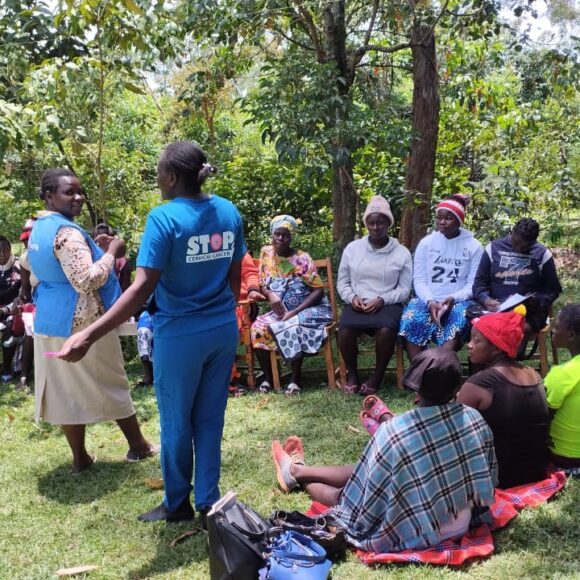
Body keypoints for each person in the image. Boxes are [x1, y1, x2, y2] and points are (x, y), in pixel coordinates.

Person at [59, 142, 246, 526]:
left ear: (173, 177)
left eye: (159, 171)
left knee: (177, 421)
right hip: (222, 329)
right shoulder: (228, 210)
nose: (157, 178)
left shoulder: (164, 218)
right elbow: (235, 273)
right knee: (210, 419)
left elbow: (142, 288)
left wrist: (89, 334)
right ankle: (209, 502)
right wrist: (224, 312)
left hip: (180, 336)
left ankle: (177, 504)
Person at [271, 348, 497, 554]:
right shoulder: (473, 418)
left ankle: (297, 473)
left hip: (413, 532)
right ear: (457, 388)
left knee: (343, 498)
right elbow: (487, 476)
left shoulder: (395, 431)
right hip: (460, 523)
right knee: (364, 472)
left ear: (416, 389)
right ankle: (296, 472)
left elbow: (363, 497)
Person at [27, 168, 156, 473]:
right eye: (69, 192)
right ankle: (138, 446)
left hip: (50, 318)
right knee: (111, 379)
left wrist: (94, 248)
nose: (78, 197)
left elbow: (37, 268)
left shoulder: (39, 228)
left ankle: (80, 458)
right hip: (83, 322)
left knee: (63, 389)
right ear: (49, 196)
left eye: (79, 191)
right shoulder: (67, 233)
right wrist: (112, 251)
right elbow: (86, 280)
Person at [456, 305, 549, 488]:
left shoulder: (479, 383)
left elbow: (452, 431)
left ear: (497, 349)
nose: (470, 345)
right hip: (536, 470)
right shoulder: (534, 374)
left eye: (477, 340)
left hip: (500, 478)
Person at [336, 196, 412, 395]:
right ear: (365, 224)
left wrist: (383, 299)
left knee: (386, 330)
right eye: (371, 222)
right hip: (358, 302)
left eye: (380, 222)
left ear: (389, 223)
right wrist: (352, 297)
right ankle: (352, 374)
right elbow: (342, 282)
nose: (376, 226)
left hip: (387, 304)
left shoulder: (401, 252)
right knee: (344, 330)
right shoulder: (353, 249)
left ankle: (377, 376)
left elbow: (405, 289)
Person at [251, 215, 332, 396]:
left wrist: (294, 312)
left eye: (285, 235)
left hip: (309, 308)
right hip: (280, 309)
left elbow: (318, 291)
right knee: (257, 327)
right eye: (277, 234)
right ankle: (269, 377)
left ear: (291, 237)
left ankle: (295, 379)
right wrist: (270, 294)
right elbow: (262, 283)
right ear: (272, 235)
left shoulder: (302, 259)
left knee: (292, 325)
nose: (280, 239)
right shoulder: (266, 254)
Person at [399, 194, 482, 359]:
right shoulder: (427, 243)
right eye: (439, 218)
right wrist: (430, 301)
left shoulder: (474, 246)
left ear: (460, 220)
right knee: (411, 320)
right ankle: (420, 372)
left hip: (459, 301)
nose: (442, 222)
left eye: (448, 218)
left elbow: (473, 284)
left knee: (457, 324)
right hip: (427, 299)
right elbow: (420, 280)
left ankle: (442, 370)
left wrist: (453, 298)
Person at [472, 217, 562, 355]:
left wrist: (536, 299)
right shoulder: (493, 248)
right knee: (480, 328)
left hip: (528, 312)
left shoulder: (542, 254)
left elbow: (553, 289)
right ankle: (484, 373)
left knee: (517, 328)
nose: (519, 249)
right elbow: (479, 284)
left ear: (533, 241)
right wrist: (485, 299)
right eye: (516, 243)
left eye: (525, 247)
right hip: (495, 308)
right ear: (512, 232)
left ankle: (507, 369)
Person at [544, 304, 580, 474]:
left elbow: (542, 416)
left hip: (568, 458)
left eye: (557, 327)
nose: (552, 331)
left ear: (571, 335)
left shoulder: (562, 374)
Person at [230, 252, 264, 396]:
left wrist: (253, 290)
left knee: (226, 327)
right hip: (215, 306)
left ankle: (230, 381)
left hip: (242, 306)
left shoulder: (239, 252)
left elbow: (250, 273)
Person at [17, 218, 38, 391]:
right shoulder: (25, 259)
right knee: (29, 333)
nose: (27, 244)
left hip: (60, 299)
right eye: (25, 241)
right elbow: (25, 291)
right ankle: (24, 375)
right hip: (37, 300)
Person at [0, 235, 22, 381]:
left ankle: (7, 367)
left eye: (5, 250)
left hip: (13, 309)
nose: (2, 255)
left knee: (8, 325)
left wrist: (5, 310)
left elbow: (22, 295)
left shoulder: (19, 267)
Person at [93, 223, 132, 292]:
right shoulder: (89, 257)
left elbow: (125, 288)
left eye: (104, 238)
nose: (101, 241)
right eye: (99, 238)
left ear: (111, 238)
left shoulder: (122, 262)